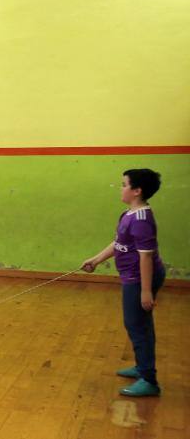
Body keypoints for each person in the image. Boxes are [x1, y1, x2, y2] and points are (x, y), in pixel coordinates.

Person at [81, 169, 165, 397]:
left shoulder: (141, 220)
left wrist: (146, 291)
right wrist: (96, 260)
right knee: (137, 324)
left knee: (137, 325)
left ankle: (149, 379)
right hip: (133, 278)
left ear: (137, 191)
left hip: (140, 279)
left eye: (124, 185)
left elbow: (146, 257)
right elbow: (119, 243)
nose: (121, 188)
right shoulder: (128, 214)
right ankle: (142, 367)